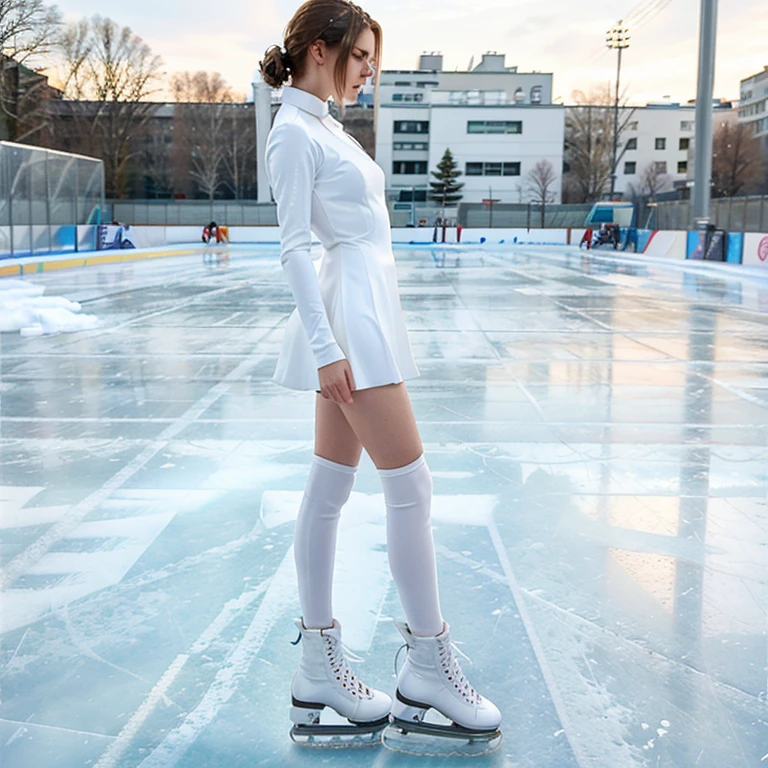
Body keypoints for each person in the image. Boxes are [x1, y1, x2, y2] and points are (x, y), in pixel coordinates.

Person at [260, 0, 502, 754]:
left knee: (330, 488)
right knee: (412, 486)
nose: (370, 72)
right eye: (363, 56)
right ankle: (428, 665)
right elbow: (296, 248)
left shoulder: (326, 126)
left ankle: (317, 666)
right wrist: (327, 344)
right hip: (349, 322)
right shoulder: (294, 132)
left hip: (364, 311)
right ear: (324, 49)